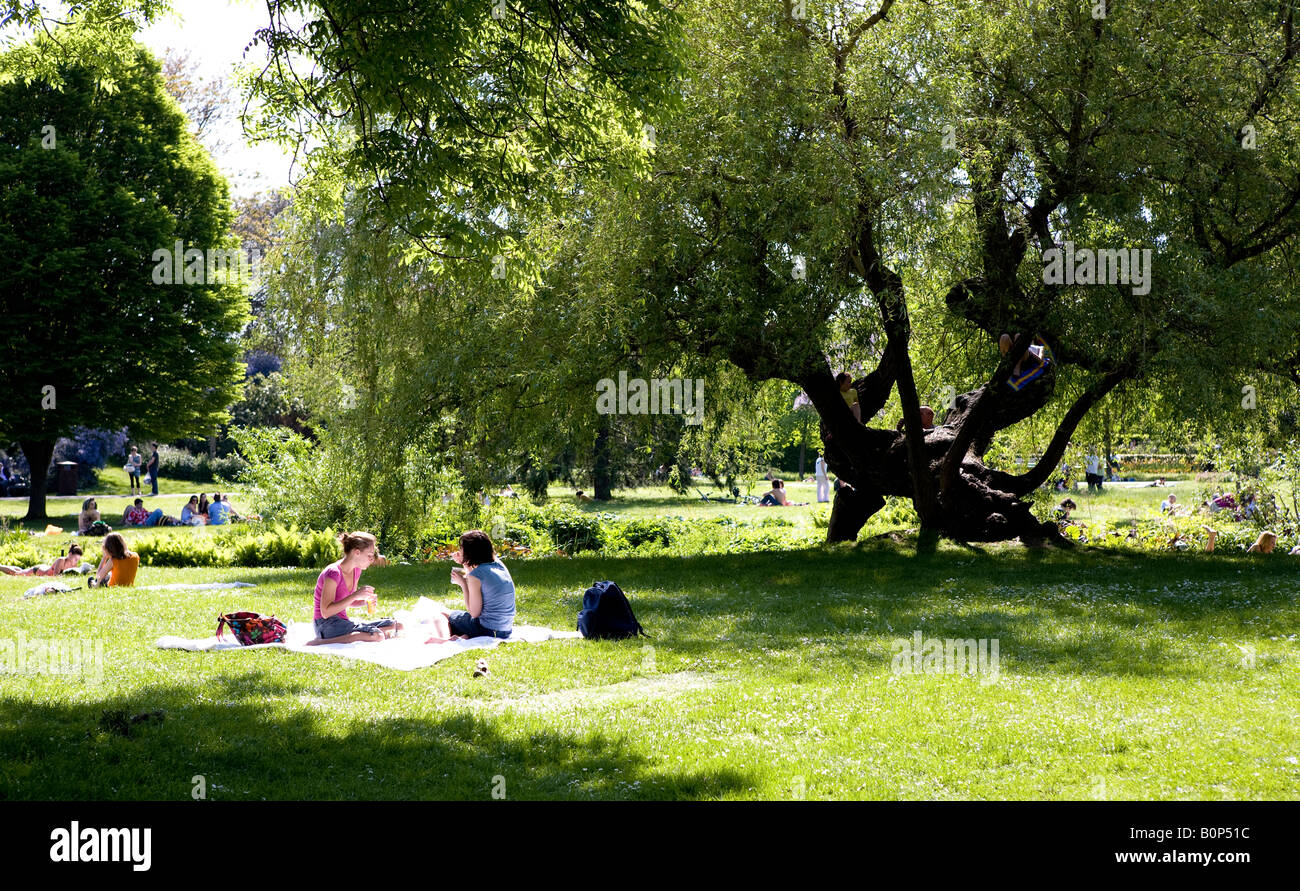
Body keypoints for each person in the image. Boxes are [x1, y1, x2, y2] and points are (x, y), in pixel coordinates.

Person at [308, 531, 403, 645]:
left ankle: (358, 634)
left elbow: (348, 602)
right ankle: (321, 642)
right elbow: (326, 612)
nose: (372, 560)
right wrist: (356, 595)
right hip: (325, 624)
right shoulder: (333, 573)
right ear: (357, 552)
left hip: (343, 622)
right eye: (369, 556)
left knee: (397, 626)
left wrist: (364, 601)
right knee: (376, 635)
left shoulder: (356, 570)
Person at [441, 530, 516, 640]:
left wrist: (462, 584)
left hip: (486, 630)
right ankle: (465, 635)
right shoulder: (499, 564)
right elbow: (476, 570)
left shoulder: (476, 576)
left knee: (447, 615)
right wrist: (464, 562)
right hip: (506, 630)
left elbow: (474, 613)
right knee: (460, 618)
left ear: (469, 552)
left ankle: (456, 638)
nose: (459, 551)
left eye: (461, 549)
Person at [1, 543, 83, 576]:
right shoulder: (61, 560)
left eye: (78, 559)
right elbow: (56, 575)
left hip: (45, 568)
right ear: (70, 554)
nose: (76, 561)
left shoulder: (74, 564)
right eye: (75, 558)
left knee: (22, 571)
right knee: (16, 573)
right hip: (39, 571)